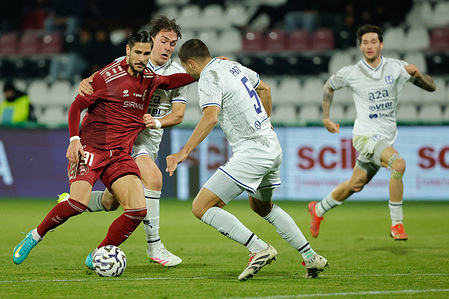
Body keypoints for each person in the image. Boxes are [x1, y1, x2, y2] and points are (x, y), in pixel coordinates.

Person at [12, 31, 195, 267]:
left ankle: (97, 255)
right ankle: (35, 235)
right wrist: (74, 139)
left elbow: (171, 81)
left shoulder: (150, 78)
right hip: (91, 148)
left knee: (137, 210)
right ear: (128, 51)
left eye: (145, 53)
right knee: (77, 203)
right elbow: (76, 107)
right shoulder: (106, 78)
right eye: (137, 52)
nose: (141, 58)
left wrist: (203, 71)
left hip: (119, 154)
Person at [166, 38, 328, 280]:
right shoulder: (234, 66)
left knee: (201, 207)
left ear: (191, 63)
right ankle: (310, 256)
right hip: (272, 147)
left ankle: (258, 248)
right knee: (262, 207)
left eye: (186, 69)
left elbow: (210, 117)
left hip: (252, 152)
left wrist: (183, 151)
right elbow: (266, 89)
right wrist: (265, 121)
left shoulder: (209, 76)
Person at [67, 16, 187, 267]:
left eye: (173, 43)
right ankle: (155, 248)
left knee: (112, 202)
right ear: (151, 40)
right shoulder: (127, 62)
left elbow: (178, 115)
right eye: (163, 41)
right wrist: (86, 81)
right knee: (154, 179)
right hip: (126, 139)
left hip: (150, 139)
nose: (168, 47)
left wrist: (155, 123)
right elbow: (95, 83)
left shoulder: (177, 74)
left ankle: (73, 202)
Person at [308, 24, 436, 241]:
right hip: (365, 135)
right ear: (360, 46)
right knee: (398, 163)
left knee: (355, 185)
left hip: (385, 136)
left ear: (381, 44)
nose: (369, 46)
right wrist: (326, 117)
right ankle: (397, 224)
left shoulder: (397, 68)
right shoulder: (351, 72)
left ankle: (319, 209)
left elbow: (431, 88)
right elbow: (328, 86)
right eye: (365, 42)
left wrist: (419, 75)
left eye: (373, 42)